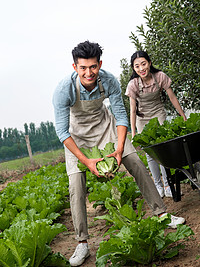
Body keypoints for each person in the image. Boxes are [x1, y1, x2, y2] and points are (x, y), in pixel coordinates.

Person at [52, 41, 185, 267]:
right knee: (76, 185)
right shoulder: (63, 89)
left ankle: (162, 215)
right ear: (75, 67)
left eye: (93, 67)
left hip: (105, 126)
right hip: (77, 136)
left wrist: (120, 149)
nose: (88, 72)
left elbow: (121, 116)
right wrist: (86, 161)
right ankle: (82, 242)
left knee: (135, 162)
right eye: (83, 68)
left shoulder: (109, 80)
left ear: (99, 64)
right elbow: (62, 131)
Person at [125, 50, 187, 198]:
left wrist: (183, 115)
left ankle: (167, 184)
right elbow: (133, 110)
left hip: (158, 113)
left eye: (143, 64)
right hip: (142, 118)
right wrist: (133, 132)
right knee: (151, 154)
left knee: (163, 150)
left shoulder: (160, 77)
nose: (141, 68)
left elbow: (172, 97)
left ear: (149, 63)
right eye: (137, 66)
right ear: (134, 68)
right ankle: (158, 185)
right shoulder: (133, 84)